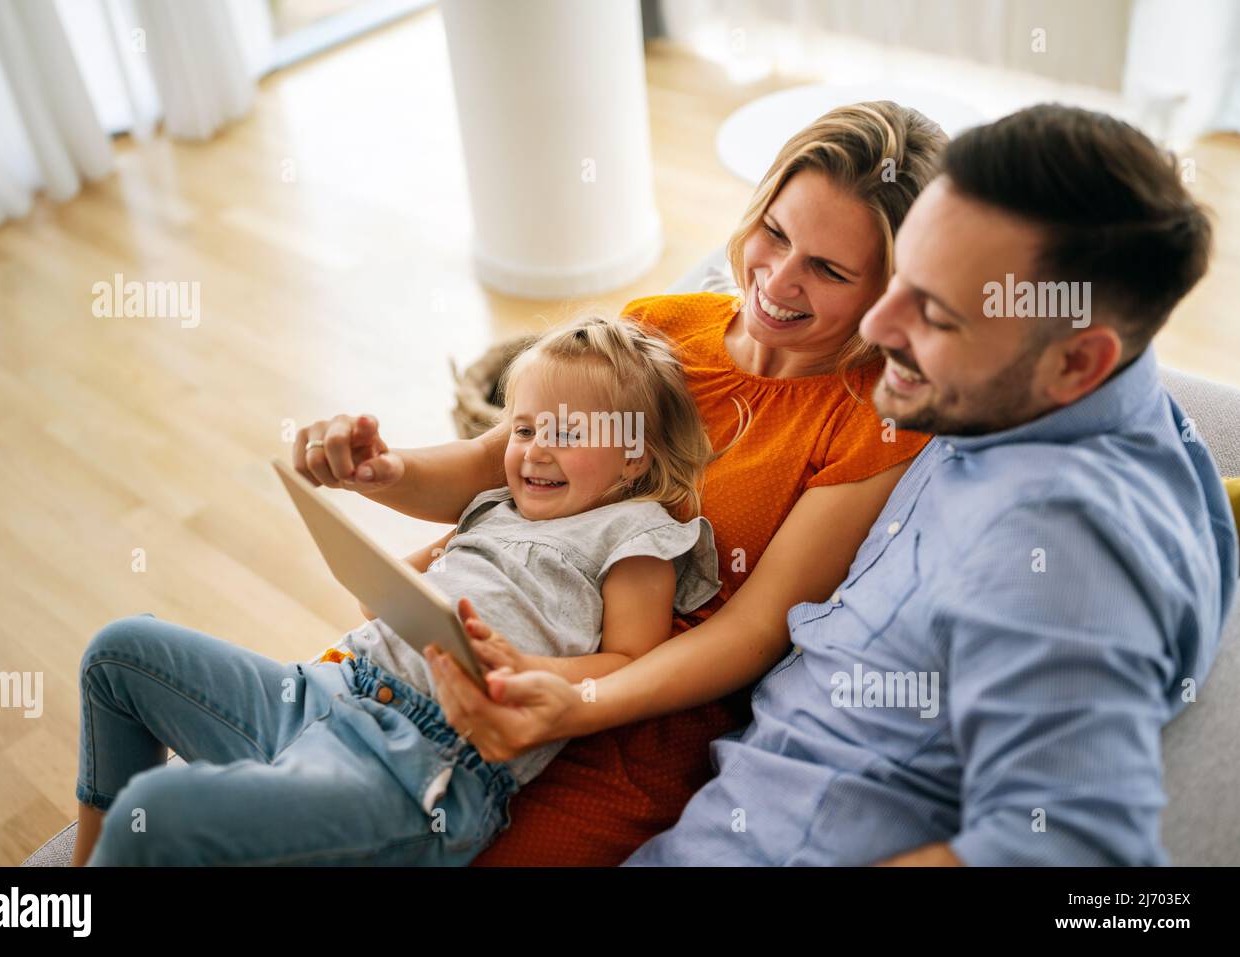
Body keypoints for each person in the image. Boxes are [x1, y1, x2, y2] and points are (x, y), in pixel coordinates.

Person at [487, 103, 1233, 866]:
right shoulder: (1028, 371)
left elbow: (1088, 859)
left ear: (1078, 364)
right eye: (900, 277)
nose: (877, 328)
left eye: (934, 311)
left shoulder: (1070, 544)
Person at [295, 101, 944, 864]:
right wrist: (381, 470)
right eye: (775, 232)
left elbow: (753, 630)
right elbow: (493, 463)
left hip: (633, 715)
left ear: (888, 293)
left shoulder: (871, 421)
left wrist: (576, 700)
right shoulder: (661, 326)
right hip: (505, 622)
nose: (779, 278)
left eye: (829, 270)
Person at [73, 314, 725, 865]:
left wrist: (531, 668)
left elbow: (629, 662)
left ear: (634, 456)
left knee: (157, 812)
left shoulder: (637, 529)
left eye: (568, 434)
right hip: (325, 693)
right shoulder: (495, 505)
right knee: (117, 653)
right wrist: (404, 551)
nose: (535, 452)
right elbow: (381, 601)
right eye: (524, 429)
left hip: (417, 765)